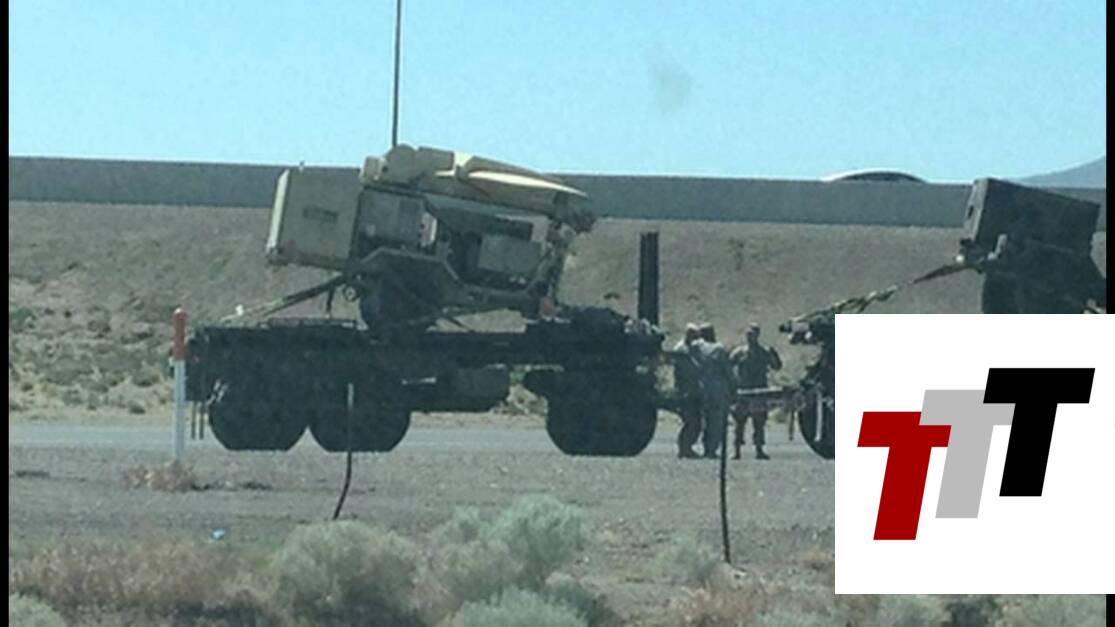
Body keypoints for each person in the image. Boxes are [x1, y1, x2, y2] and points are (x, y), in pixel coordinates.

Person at [729, 323, 782, 460]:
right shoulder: (739, 352)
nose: (749, 337)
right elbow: (728, 366)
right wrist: (732, 384)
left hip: (759, 391)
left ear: (757, 335)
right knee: (739, 422)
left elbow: (777, 366)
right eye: (748, 334)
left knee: (759, 423)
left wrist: (773, 355)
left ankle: (759, 449)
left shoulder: (764, 352)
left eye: (752, 334)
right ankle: (737, 450)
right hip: (743, 391)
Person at [694, 323, 733, 459]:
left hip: (700, 387)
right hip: (716, 389)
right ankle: (711, 448)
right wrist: (734, 385)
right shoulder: (718, 349)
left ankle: (705, 446)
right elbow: (727, 371)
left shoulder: (696, 347)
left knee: (704, 419)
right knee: (716, 420)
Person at [671, 324, 703, 458]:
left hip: (694, 388)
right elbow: (679, 371)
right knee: (690, 420)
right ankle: (684, 447)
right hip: (685, 390)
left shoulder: (694, 348)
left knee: (696, 421)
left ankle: (687, 447)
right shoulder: (680, 349)